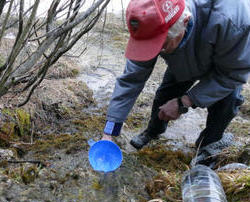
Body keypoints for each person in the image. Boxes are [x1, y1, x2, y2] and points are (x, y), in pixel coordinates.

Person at [102, 0, 250, 163]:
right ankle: (153, 132)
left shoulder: (234, 21)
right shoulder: (150, 23)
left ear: (185, 21)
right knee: (165, 96)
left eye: (160, 45)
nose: (155, 52)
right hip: (182, 59)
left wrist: (184, 101)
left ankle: (206, 149)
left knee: (225, 106)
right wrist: (110, 130)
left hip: (226, 65)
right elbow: (130, 80)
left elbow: (233, 74)